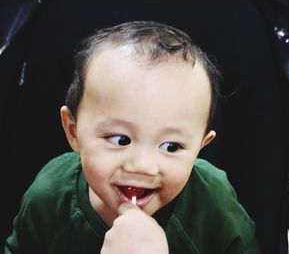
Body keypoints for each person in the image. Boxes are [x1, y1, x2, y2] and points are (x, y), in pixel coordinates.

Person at [5, 21, 261, 253]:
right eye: (120, 139)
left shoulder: (215, 206)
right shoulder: (48, 199)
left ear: (200, 147)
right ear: (74, 131)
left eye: (171, 146)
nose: (142, 165)